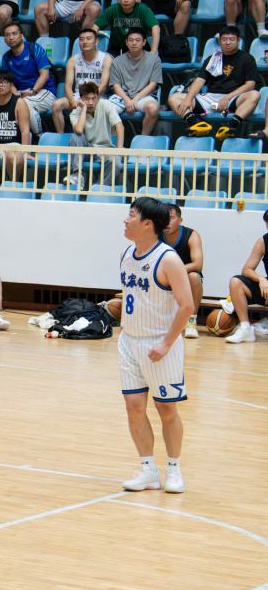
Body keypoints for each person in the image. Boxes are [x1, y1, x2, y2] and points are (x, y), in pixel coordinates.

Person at [117, 197, 193, 494]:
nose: (125, 220)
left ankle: (174, 469)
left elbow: (187, 306)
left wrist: (166, 343)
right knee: (134, 407)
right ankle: (148, 470)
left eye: (131, 215)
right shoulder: (126, 253)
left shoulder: (168, 259)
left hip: (160, 343)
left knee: (166, 409)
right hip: (129, 341)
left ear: (147, 223)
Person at [169, 26, 263, 138]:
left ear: (238, 41)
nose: (228, 42)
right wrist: (188, 99)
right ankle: (197, 123)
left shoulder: (247, 58)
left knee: (255, 94)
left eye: (232, 39)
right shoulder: (213, 58)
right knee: (173, 98)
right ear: (219, 41)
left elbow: (250, 85)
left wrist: (227, 98)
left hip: (233, 99)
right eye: (224, 39)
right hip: (211, 99)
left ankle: (230, 126)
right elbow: (199, 81)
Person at [62, 82, 124, 191]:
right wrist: (84, 109)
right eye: (86, 99)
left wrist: (118, 151)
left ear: (98, 98)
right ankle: (77, 175)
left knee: (117, 162)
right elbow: (79, 130)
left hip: (105, 150)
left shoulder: (106, 104)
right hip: (87, 150)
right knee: (75, 137)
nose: (90, 102)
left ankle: (98, 189)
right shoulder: (76, 111)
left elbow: (119, 126)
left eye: (94, 98)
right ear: (81, 99)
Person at [218, 207, 268, 343]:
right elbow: (246, 270)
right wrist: (261, 278)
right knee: (236, 282)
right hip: (266, 288)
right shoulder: (263, 241)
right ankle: (245, 329)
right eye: (267, 223)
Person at [52, 28, 112, 132]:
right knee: (56, 105)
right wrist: (72, 101)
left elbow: (104, 85)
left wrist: (90, 99)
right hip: (79, 97)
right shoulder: (73, 60)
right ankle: (60, 136)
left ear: (96, 42)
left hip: (98, 96)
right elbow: (68, 85)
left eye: (88, 39)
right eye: (81, 39)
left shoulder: (105, 59)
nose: (84, 42)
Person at [108, 26, 164, 137]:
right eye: (131, 40)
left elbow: (153, 84)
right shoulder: (117, 61)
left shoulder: (154, 60)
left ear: (144, 42)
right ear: (126, 42)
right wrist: (127, 100)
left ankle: (143, 139)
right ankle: (114, 142)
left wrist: (136, 98)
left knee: (153, 108)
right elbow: (116, 86)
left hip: (143, 97)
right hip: (122, 97)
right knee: (104, 109)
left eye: (137, 40)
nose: (134, 43)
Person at [0, 22, 54, 135]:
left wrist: (33, 91)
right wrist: (16, 95)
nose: (11, 37)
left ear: (22, 36)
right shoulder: (6, 57)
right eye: (7, 35)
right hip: (21, 93)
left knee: (25, 105)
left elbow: (45, 75)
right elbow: (9, 82)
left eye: (14, 34)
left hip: (44, 91)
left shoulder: (34, 48)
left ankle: (39, 137)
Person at [161, 204, 204, 339]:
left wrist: (175, 271)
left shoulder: (191, 235)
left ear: (180, 220)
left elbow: (198, 265)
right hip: (164, 276)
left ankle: (191, 320)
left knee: (194, 277)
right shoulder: (156, 234)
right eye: (163, 218)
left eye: (171, 218)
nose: (167, 222)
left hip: (185, 276)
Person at [94, 0, 161, 54]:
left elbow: (156, 28)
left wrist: (153, 51)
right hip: (117, 48)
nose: (126, 0)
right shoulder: (112, 10)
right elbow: (95, 27)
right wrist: (93, 47)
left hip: (139, 48)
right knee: (107, 59)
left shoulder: (143, 9)